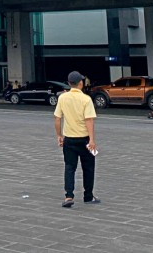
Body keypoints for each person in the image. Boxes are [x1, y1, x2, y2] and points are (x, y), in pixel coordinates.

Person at [54, 71, 100, 207]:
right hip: (84, 139)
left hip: (69, 139)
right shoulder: (86, 99)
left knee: (69, 167)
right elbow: (89, 120)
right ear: (81, 83)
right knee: (88, 168)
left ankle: (69, 196)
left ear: (69, 84)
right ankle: (88, 196)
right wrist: (92, 140)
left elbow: (57, 118)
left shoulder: (63, 98)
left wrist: (59, 136)